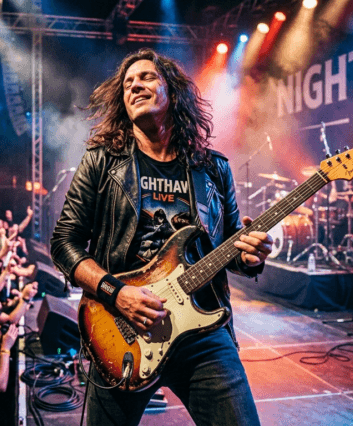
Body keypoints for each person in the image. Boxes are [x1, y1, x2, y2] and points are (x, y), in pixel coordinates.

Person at [50, 48, 273, 426]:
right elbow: (63, 243)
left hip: (204, 334)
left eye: (147, 77)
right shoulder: (103, 160)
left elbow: (231, 246)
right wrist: (115, 293)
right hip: (122, 330)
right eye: (127, 84)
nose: (135, 85)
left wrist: (251, 256)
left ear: (172, 90)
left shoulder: (212, 168)